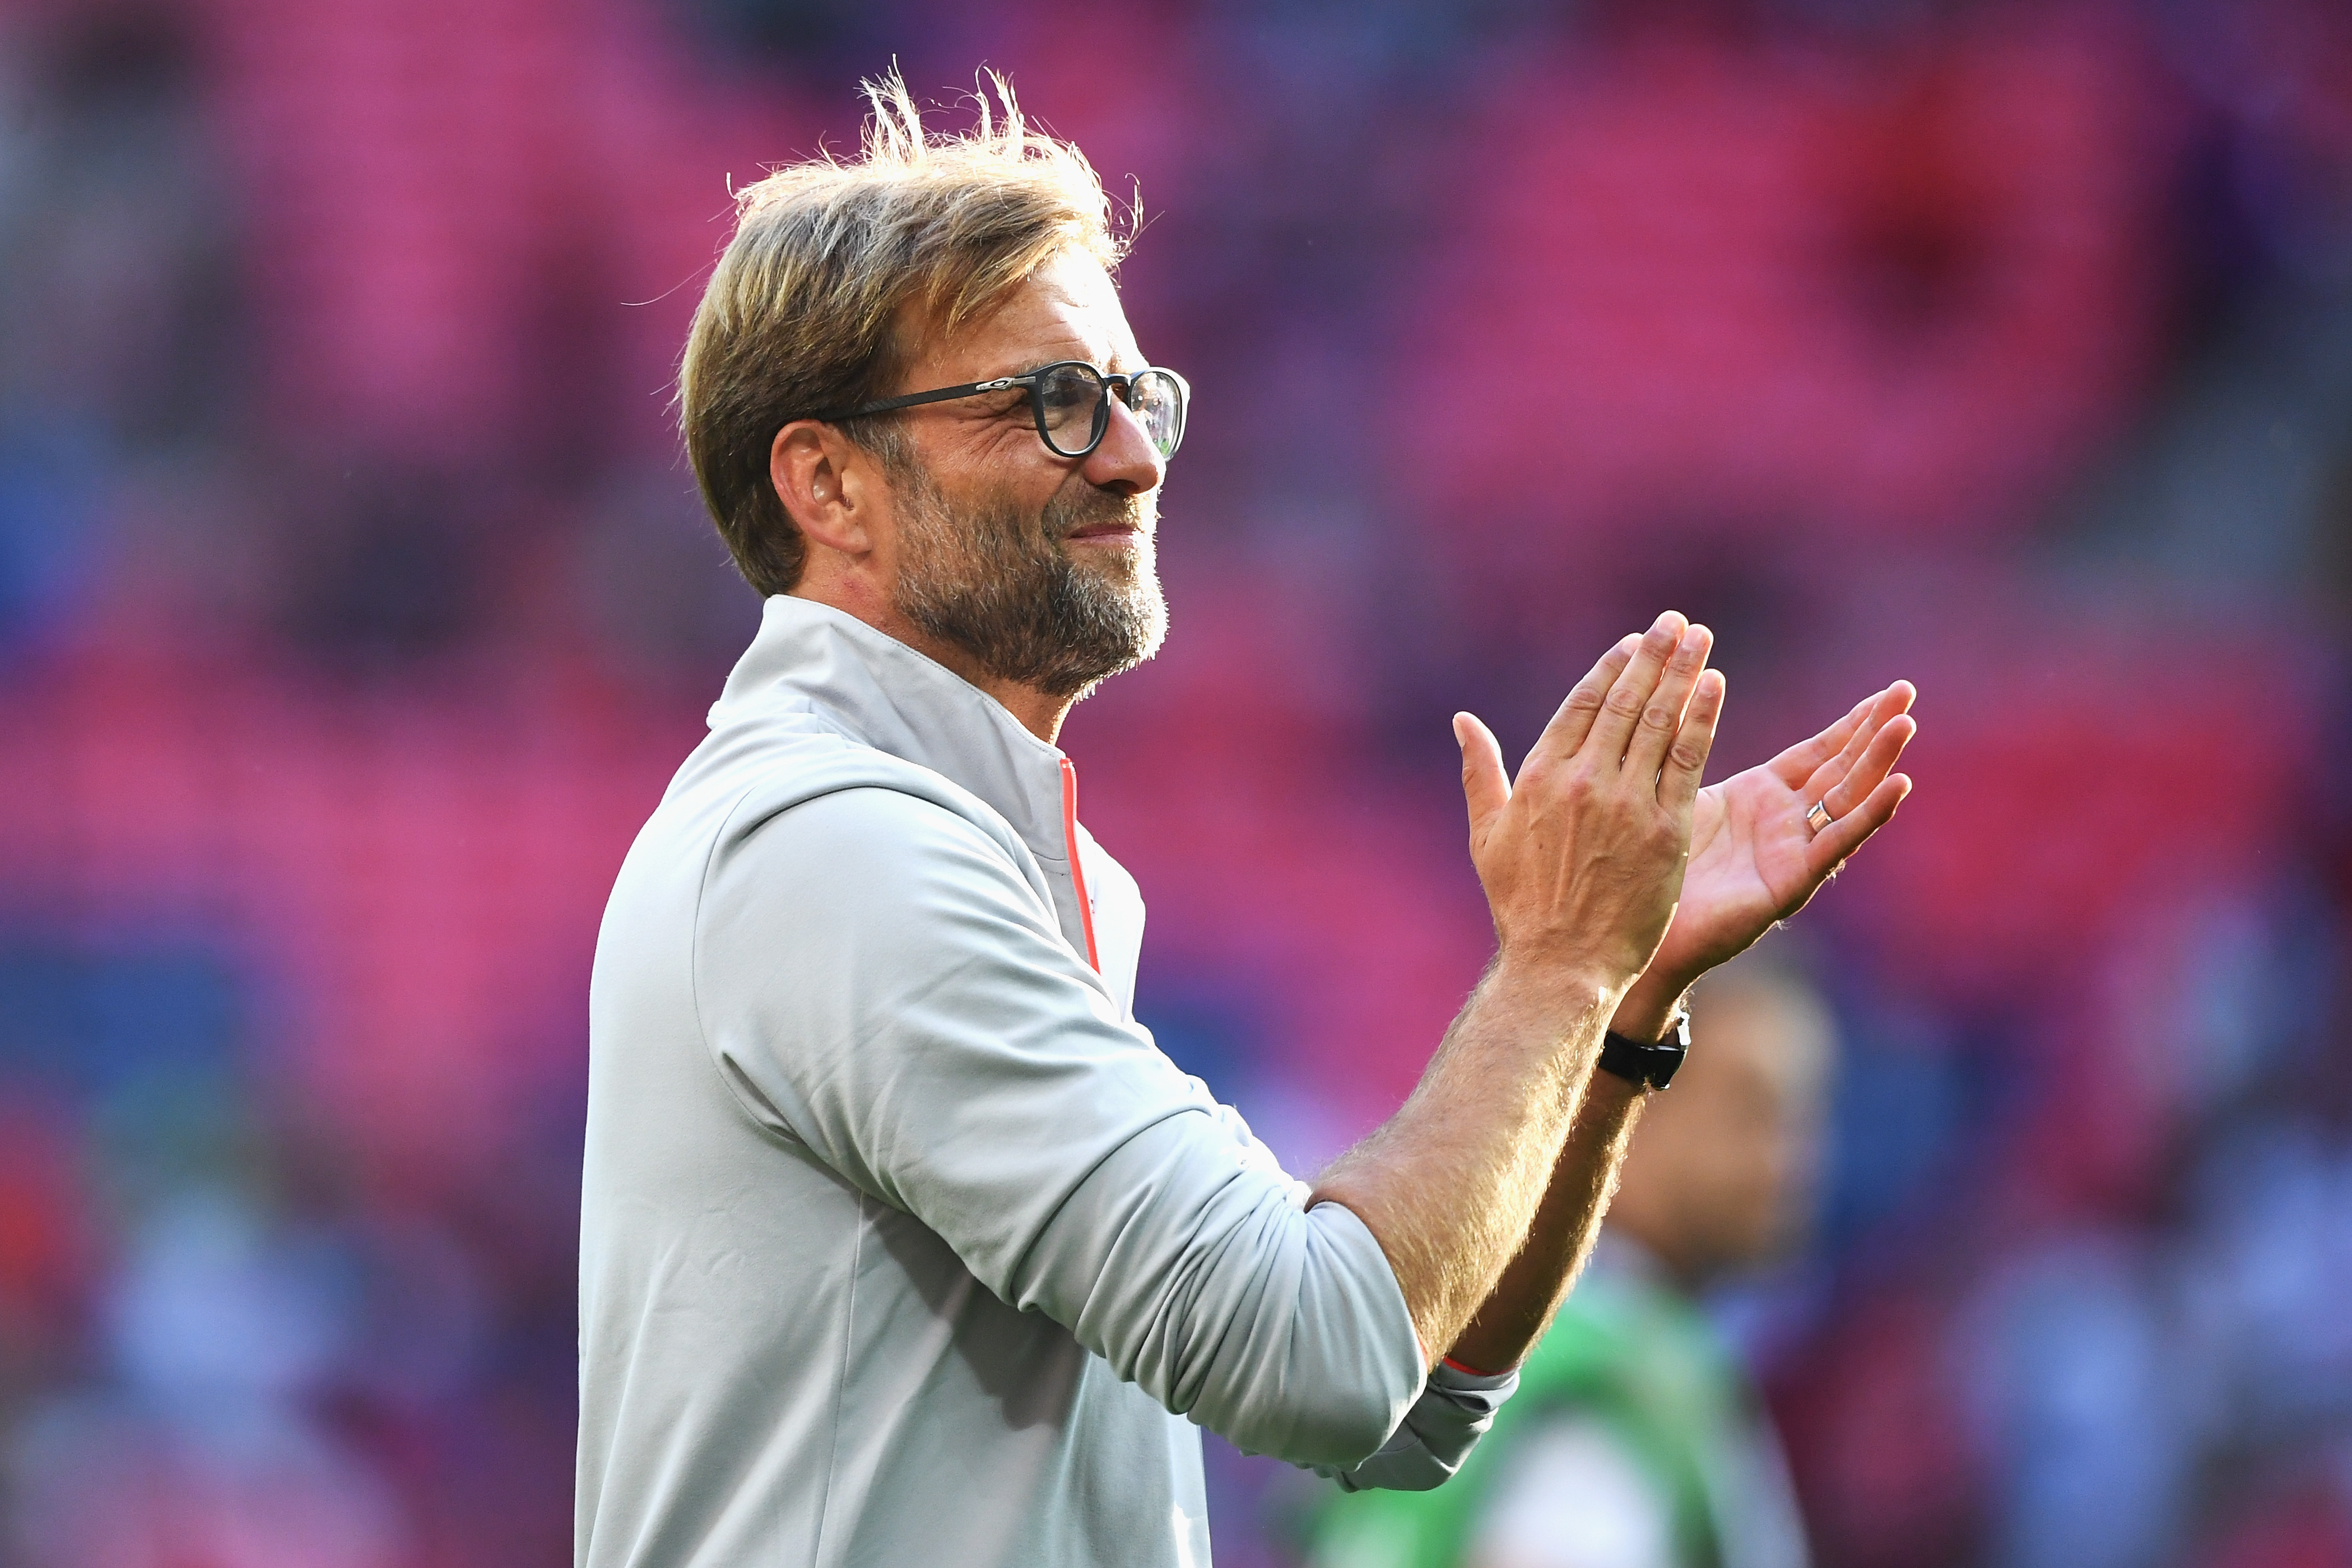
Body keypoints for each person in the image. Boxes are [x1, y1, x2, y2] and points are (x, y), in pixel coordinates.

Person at [574, 75, 1917, 1568]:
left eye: (1135, 396)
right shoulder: (840, 857)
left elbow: (1412, 1398)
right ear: (829, 480)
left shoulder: (941, 854)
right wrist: (1547, 962)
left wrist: (1607, 994)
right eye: (1049, 402)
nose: (1136, 459)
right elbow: (1322, 1350)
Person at [1307, 960, 1838, 1568]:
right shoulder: (1611, 1381)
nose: (1793, 1157)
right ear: (1637, 1100)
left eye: (1806, 1115)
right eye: (1750, 1111)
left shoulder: (1492, 1328)